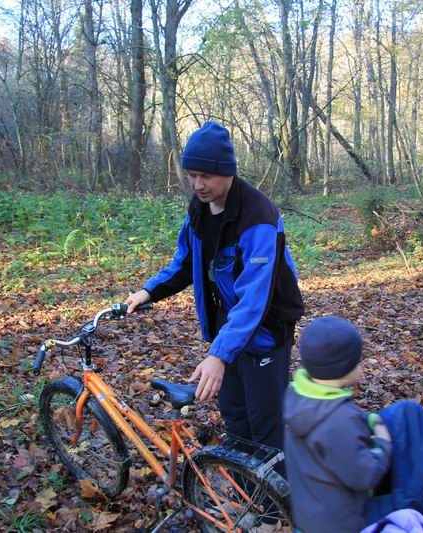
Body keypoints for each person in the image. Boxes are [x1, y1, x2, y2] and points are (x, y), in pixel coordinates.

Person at [125, 121, 304, 452]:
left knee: (266, 426)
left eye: (206, 175)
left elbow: (255, 299)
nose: (197, 184)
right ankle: (245, 492)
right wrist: (148, 291)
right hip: (229, 322)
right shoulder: (199, 209)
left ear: (228, 171)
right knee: (235, 417)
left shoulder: (258, 216)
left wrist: (218, 355)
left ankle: (274, 501)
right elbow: (185, 261)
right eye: (192, 174)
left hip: (267, 328)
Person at [283, 315, 393, 533]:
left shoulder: (296, 396)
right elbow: (365, 475)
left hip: (308, 517)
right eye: (358, 360)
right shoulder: (340, 419)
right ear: (344, 367)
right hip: (340, 523)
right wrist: (383, 442)